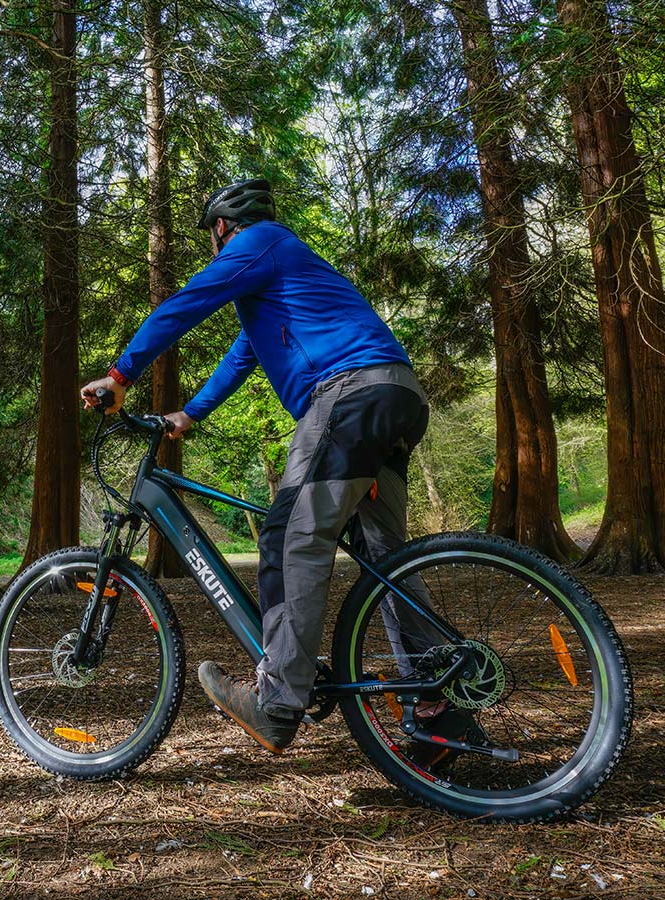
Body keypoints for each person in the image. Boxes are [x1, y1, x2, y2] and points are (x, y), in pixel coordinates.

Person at [80, 178, 444, 755]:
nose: (216, 248)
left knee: (286, 536)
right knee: (386, 561)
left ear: (224, 227)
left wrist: (120, 374)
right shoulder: (282, 285)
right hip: (394, 398)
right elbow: (241, 357)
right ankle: (439, 704)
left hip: (347, 396)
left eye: (213, 237)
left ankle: (276, 701)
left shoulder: (262, 241)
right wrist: (190, 413)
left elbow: (188, 302)